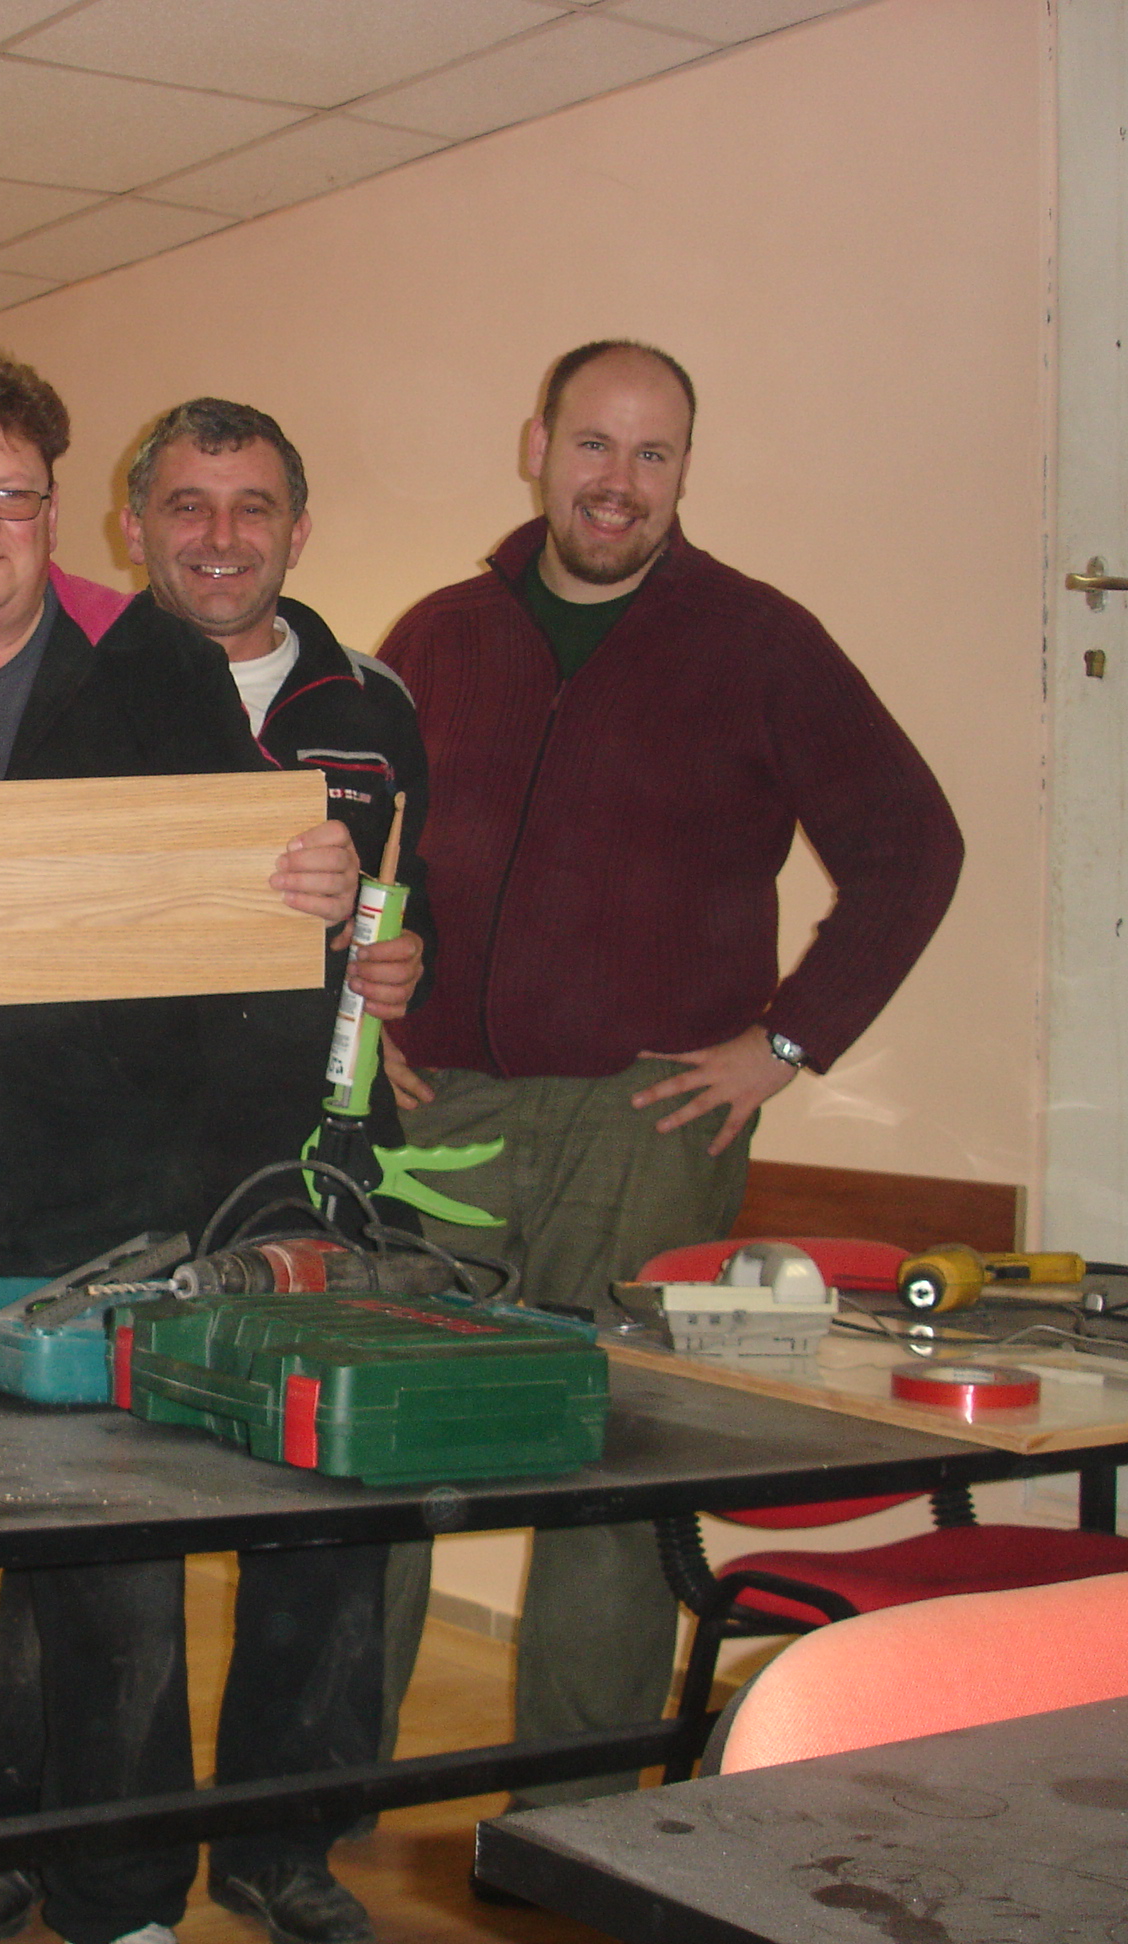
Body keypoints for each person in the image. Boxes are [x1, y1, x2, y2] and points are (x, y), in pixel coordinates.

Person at [0, 397, 430, 1944]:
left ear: (55, 513)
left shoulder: (158, 669)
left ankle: (124, 1908)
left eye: (9, 496)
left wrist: (315, 893)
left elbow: (248, 891)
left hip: (109, 1230)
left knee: (117, 1601)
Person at [375, 339, 964, 1812]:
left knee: (611, 1472)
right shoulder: (439, 635)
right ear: (538, 446)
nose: (619, 482)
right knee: (374, 1445)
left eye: (655, 454)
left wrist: (787, 1043)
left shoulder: (757, 640)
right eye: (595, 445)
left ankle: (575, 1820)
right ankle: (311, 1808)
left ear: (685, 470)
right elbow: (375, 852)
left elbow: (912, 846)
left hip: (647, 1121)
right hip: (437, 1110)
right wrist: (365, 1013)